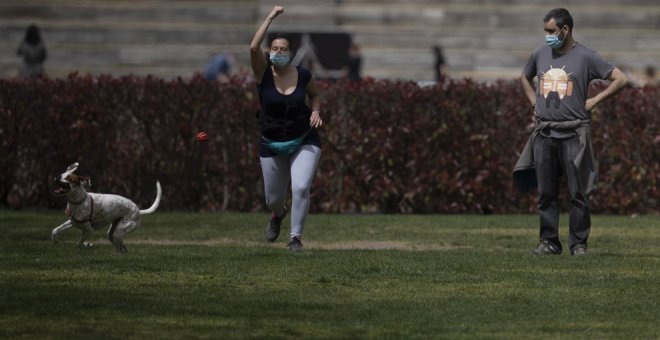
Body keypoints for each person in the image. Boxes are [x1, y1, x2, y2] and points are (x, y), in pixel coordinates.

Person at [514, 8, 628, 256]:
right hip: (544, 134)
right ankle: (549, 243)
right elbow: (524, 77)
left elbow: (620, 79)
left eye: (551, 31)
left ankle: (578, 245)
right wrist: (534, 100)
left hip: (574, 134)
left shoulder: (587, 56)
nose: (547, 36)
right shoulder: (540, 54)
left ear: (565, 30)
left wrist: (595, 100)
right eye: (545, 31)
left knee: (578, 194)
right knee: (546, 193)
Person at [249, 5, 324, 252]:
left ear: (291, 54)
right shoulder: (263, 73)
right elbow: (252, 47)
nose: (278, 52)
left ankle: (295, 238)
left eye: (283, 50)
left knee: (301, 187)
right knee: (273, 199)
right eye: (274, 49)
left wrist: (315, 111)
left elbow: (315, 96)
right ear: (270, 52)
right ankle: (277, 215)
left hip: (304, 137)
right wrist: (270, 17)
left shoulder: (303, 75)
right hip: (271, 142)